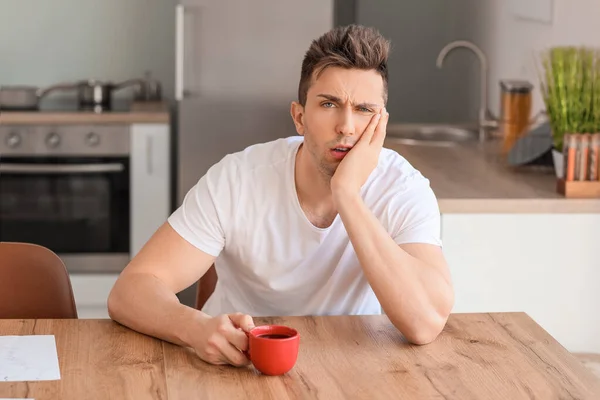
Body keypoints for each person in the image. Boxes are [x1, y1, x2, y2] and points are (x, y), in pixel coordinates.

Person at [108, 24, 454, 367]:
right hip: (238, 363)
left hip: (353, 361)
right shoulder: (238, 178)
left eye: (364, 110)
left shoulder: (403, 187)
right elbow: (130, 291)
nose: (347, 126)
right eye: (329, 103)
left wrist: (347, 194)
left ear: (381, 124)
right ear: (299, 117)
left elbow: (425, 323)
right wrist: (195, 328)